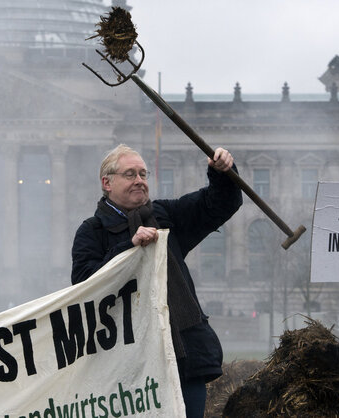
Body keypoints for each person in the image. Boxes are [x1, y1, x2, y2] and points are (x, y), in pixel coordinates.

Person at [71, 144, 242, 418]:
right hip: (127, 368)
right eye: (129, 174)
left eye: (143, 174)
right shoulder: (91, 232)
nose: (139, 180)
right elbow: (84, 287)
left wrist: (223, 173)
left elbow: (217, 204)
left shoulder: (164, 215)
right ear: (107, 183)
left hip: (184, 357)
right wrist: (130, 246)